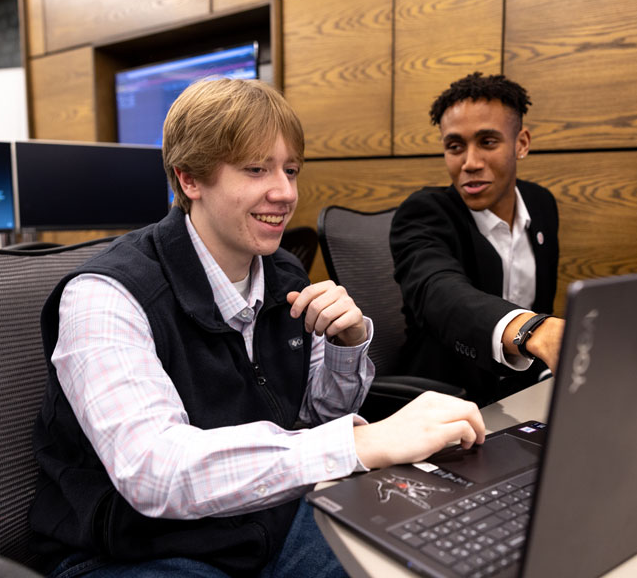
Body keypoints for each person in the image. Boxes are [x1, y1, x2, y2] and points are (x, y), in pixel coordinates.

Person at [29, 78, 486, 578]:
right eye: (255, 169)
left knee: (426, 556)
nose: (285, 193)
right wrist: (357, 445)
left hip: (264, 521)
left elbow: (314, 416)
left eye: (290, 170)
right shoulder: (106, 295)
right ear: (189, 179)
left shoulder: (283, 274)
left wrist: (345, 348)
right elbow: (155, 473)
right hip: (142, 549)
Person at [390, 72, 565, 407]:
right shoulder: (423, 213)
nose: (470, 163)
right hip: (445, 401)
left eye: (487, 142)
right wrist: (533, 331)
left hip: (520, 393)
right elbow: (441, 292)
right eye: (455, 147)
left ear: (521, 143)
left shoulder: (541, 205)